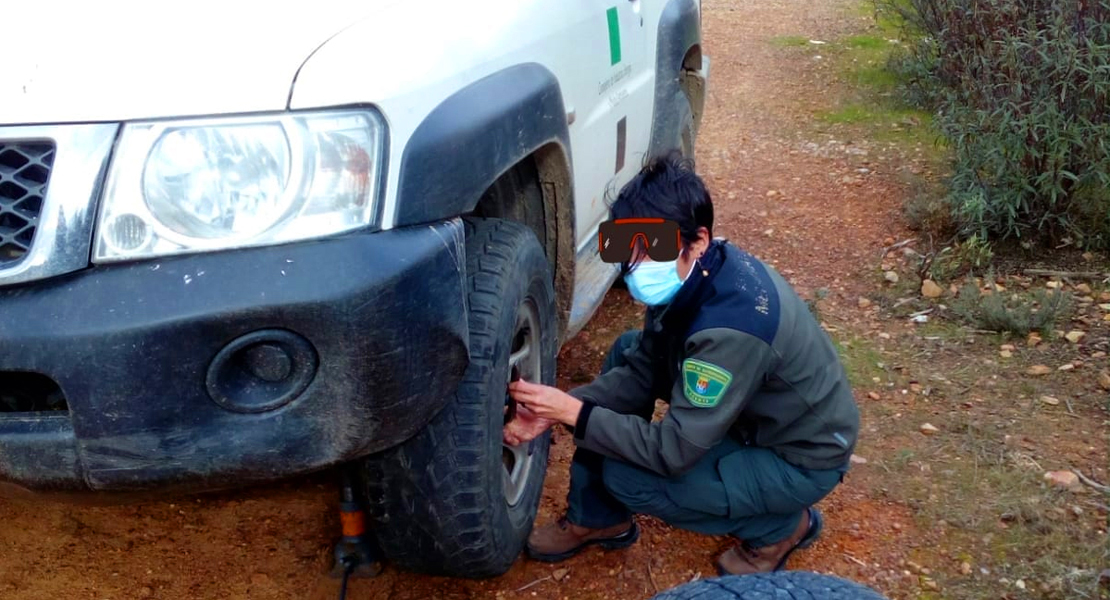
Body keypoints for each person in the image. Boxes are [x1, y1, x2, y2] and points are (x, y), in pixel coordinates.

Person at [504, 154, 861, 575]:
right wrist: (562, 406)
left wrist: (572, 413)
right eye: (626, 245)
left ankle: (781, 526)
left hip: (796, 456)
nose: (635, 266)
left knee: (626, 476)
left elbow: (672, 452)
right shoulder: (696, 275)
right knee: (627, 350)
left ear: (699, 241)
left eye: (651, 247)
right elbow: (644, 369)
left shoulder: (730, 330)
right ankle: (599, 519)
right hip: (752, 414)